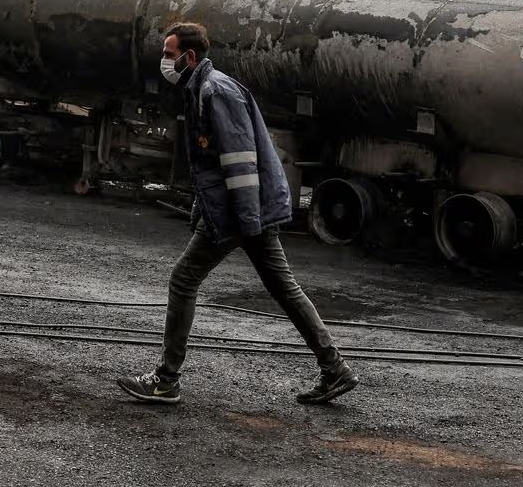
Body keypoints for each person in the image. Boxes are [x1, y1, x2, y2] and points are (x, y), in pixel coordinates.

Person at [117, 22, 360, 406]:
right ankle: (335, 369)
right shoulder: (202, 88)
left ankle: (166, 380)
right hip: (243, 211)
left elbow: (241, 162)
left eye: (168, 54)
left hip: (241, 212)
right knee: (284, 288)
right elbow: (211, 165)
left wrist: (246, 222)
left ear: (189, 56)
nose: (164, 61)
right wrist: (206, 209)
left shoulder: (215, 91)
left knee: (184, 279)